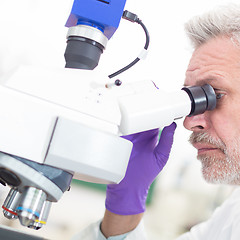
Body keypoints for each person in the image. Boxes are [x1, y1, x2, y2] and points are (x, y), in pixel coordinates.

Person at [72, 3, 240, 239]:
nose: (190, 123)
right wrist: (127, 201)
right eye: (193, 99)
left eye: (214, 95)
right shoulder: (232, 215)